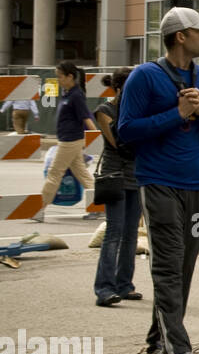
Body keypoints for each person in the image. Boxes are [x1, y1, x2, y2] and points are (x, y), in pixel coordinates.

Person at [117, 6, 199, 354]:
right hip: (159, 182)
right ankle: (179, 351)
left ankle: (156, 343)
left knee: (184, 267)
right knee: (167, 265)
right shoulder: (144, 76)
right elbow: (127, 130)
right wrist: (177, 113)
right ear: (180, 35)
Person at [92, 68, 142, 308]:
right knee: (115, 231)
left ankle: (125, 285)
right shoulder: (105, 111)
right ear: (122, 88)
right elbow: (120, 142)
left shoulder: (138, 109)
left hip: (137, 176)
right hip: (115, 175)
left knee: (131, 233)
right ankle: (104, 288)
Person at [32, 61, 98, 223]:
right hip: (69, 139)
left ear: (70, 76)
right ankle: (100, 206)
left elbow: (86, 117)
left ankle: (39, 210)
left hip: (71, 140)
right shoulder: (67, 93)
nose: (58, 80)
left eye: (60, 77)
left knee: (55, 173)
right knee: (83, 175)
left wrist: (97, 137)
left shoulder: (76, 95)